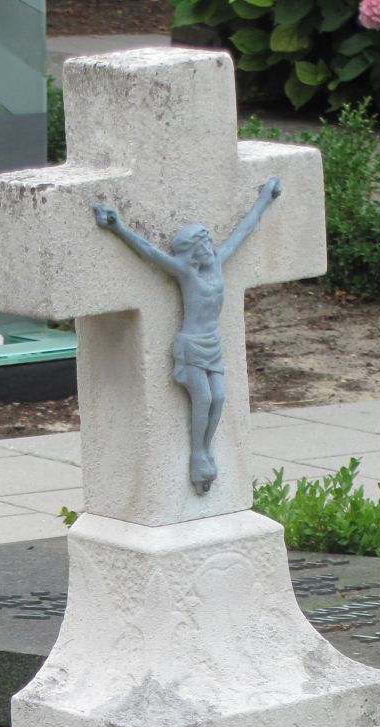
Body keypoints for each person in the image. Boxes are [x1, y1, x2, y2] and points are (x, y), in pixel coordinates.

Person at [94, 177, 281, 495]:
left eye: (209, 244)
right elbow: (151, 253)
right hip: (191, 343)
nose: (209, 250)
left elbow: (244, 230)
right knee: (204, 398)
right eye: (202, 246)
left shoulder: (218, 264)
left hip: (213, 342)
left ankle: (207, 448)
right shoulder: (186, 273)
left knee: (219, 397)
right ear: (192, 253)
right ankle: (198, 455)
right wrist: (118, 227)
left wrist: (264, 198)